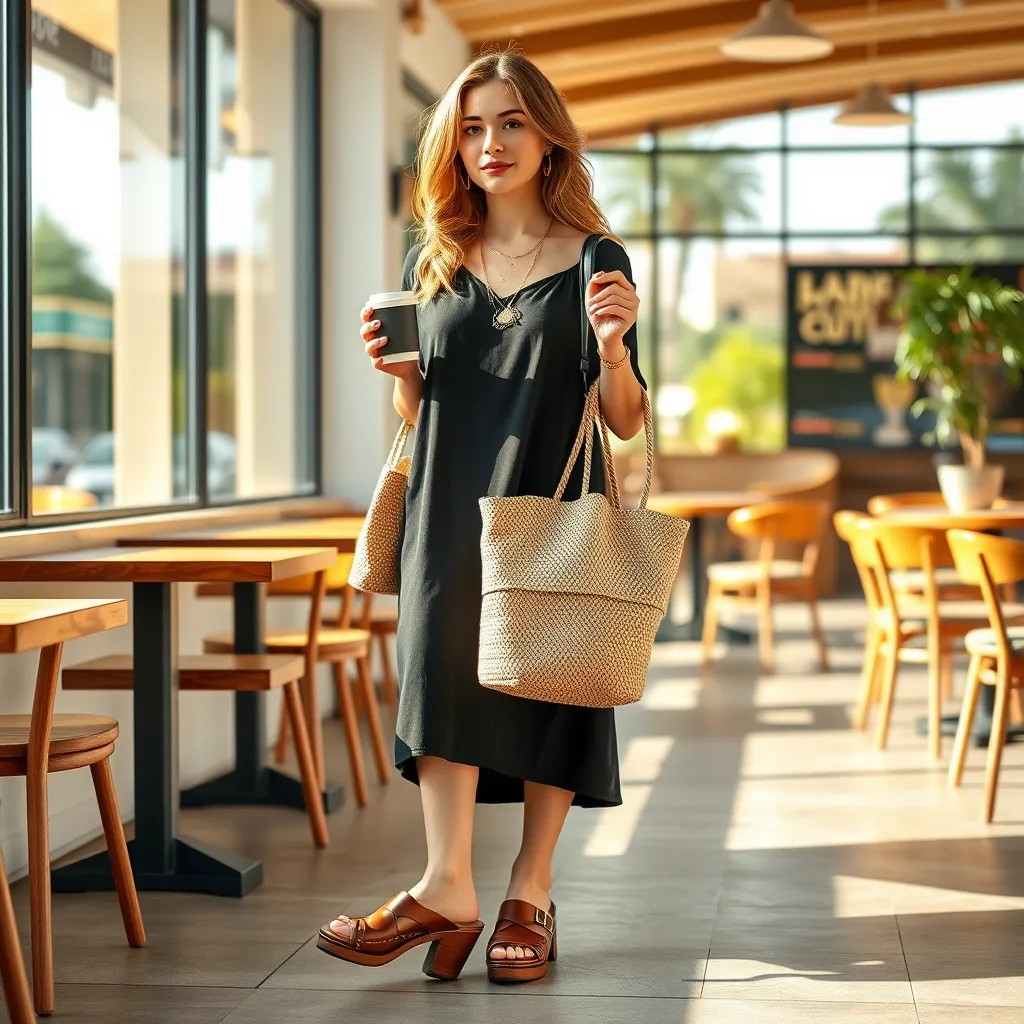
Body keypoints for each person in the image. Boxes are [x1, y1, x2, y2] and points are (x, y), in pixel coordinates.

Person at [318, 47, 646, 985]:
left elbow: (623, 420)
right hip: (447, 506)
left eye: (509, 122)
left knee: (555, 683)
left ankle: (530, 891)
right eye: (470, 128)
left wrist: (616, 349)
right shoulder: (441, 257)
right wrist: (402, 377)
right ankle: (447, 885)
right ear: (451, 147)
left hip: (553, 499)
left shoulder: (596, 257)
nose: (489, 143)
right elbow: (430, 412)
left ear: (547, 137)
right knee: (440, 680)